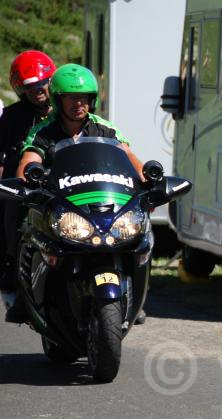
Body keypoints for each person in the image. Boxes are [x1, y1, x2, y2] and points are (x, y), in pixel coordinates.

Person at [7, 63, 145, 324]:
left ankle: (135, 294)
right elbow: (30, 157)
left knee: (140, 234)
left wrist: (145, 176)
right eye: (72, 98)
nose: (78, 104)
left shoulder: (103, 128)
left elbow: (127, 155)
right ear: (59, 100)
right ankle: (24, 293)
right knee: (25, 229)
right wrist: (28, 174)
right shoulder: (44, 131)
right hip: (60, 204)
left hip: (98, 203)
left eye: (84, 98)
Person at [0, 50, 56, 322]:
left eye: (41, 83)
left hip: (66, 186)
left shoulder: (69, 108)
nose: (37, 91)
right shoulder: (12, 117)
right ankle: (20, 288)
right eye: (28, 87)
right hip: (24, 189)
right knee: (17, 224)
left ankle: (128, 294)